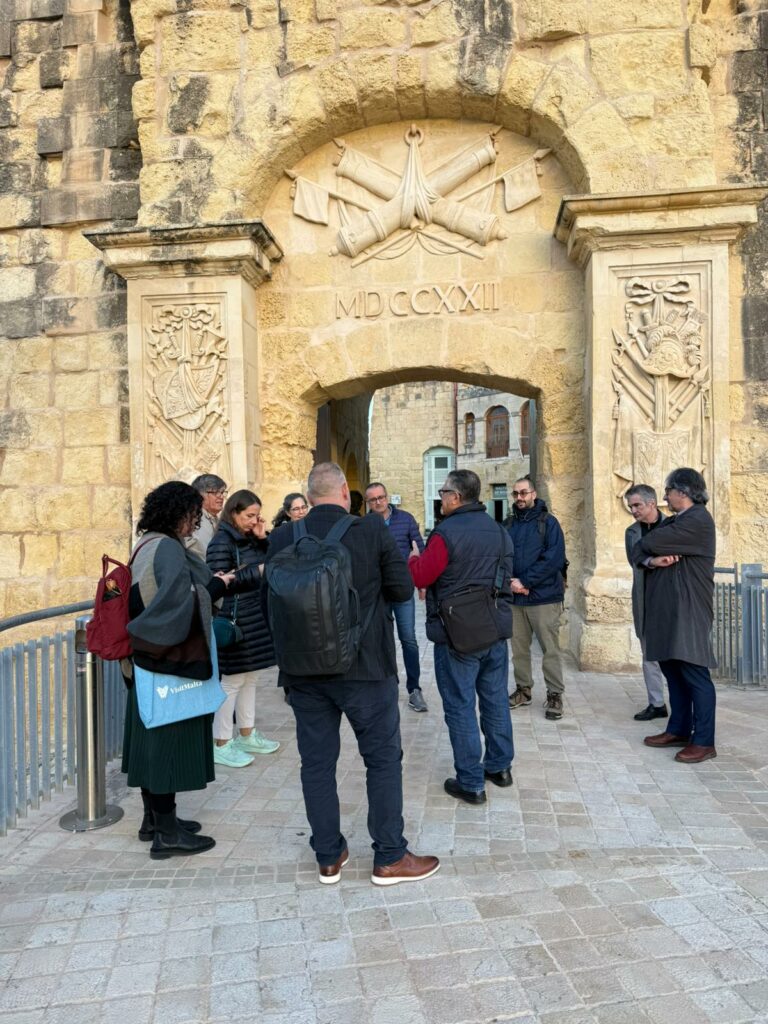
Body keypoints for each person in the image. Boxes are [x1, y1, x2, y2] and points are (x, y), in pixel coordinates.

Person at [265, 462, 439, 886]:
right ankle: (390, 858)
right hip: (366, 668)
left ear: (308, 495)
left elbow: (267, 600)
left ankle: (328, 856)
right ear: (345, 491)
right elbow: (400, 590)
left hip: (303, 673)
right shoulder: (371, 530)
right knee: (381, 760)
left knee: (317, 764)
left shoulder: (284, 535)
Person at [122, 481, 234, 860]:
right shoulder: (167, 548)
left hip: (143, 660)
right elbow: (173, 606)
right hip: (165, 661)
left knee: (151, 742)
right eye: (193, 515)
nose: (195, 522)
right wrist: (214, 589)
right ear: (179, 513)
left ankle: (154, 821)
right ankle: (167, 835)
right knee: (164, 746)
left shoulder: (147, 543)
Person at [408, 469, 515, 805]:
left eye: (443, 492)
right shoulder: (499, 531)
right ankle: (499, 767)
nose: (441, 498)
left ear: (455, 497)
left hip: (458, 634)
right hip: (494, 628)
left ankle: (471, 781)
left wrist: (413, 559)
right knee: (496, 699)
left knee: (460, 706)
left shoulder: (445, 533)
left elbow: (423, 575)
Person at [632, 467, 718, 764]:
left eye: (668, 490)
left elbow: (647, 542)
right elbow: (638, 551)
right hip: (670, 611)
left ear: (683, 492)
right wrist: (653, 559)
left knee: (695, 674)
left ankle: (704, 741)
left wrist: (651, 548)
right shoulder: (675, 522)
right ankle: (679, 729)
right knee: (673, 671)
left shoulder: (697, 520)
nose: (665, 495)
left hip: (689, 610)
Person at [206, 489, 280, 768]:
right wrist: (256, 572)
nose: (253, 520)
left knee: (250, 677)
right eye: (249, 516)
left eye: (257, 516)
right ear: (234, 513)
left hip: (253, 617)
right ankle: (221, 742)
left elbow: (273, 561)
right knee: (232, 681)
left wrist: (263, 538)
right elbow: (219, 581)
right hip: (234, 619)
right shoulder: (221, 542)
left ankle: (246, 733)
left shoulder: (249, 538)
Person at [505, 475, 567, 721]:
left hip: (544, 598)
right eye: (516, 494)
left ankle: (554, 694)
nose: (519, 498)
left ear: (533, 494)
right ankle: (523, 690)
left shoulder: (549, 523)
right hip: (516, 599)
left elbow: (553, 558)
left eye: (523, 493)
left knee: (549, 649)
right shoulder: (508, 524)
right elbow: (501, 556)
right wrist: (512, 583)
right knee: (519, 648)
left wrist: (526, 582)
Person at [364, 481, 428, 713]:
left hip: (402, 589)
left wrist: (422, 583)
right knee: (381, 640)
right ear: (368, 502)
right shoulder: (364, 525)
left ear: (387, 496)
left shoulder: (406, 519)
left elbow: (419, 550)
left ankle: (414, 689)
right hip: (377, 593)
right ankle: (387, 688)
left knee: (408, 638)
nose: (378, 502)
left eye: (381, 497)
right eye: (373, 500)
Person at [624, 484, 668, 722]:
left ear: (652, 503)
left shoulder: (673, 526)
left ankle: (683, 704)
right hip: (644, 599)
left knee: (674, 654)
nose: (633, 510)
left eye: (637, 505)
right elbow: (634, 560)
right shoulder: (631, 532)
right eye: (631, 506)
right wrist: (652, 561)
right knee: (648, 652)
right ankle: (657, 703)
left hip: (670, 600)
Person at [187, 474, 228, 559]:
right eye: (215, 492)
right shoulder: (194, 519)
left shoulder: (217, 520)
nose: (221, 496)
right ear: (200, 495)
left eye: (222, 492)